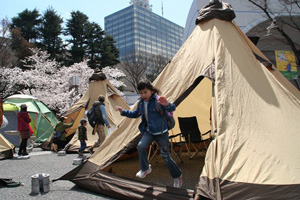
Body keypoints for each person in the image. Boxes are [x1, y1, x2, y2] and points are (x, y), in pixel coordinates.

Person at [115, 80, 183, 188]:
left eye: (145, 92)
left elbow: (172, 108)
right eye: (141, 93)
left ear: (151, 91)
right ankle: (145, 168)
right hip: (149, 131)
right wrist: (123, 112)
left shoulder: (158, 100)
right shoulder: (141, 103)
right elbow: (135, 114)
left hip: (161, 132)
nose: (143, 95)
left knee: (166, 158)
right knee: (141, 146)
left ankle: (177, 176)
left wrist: (167, 104)